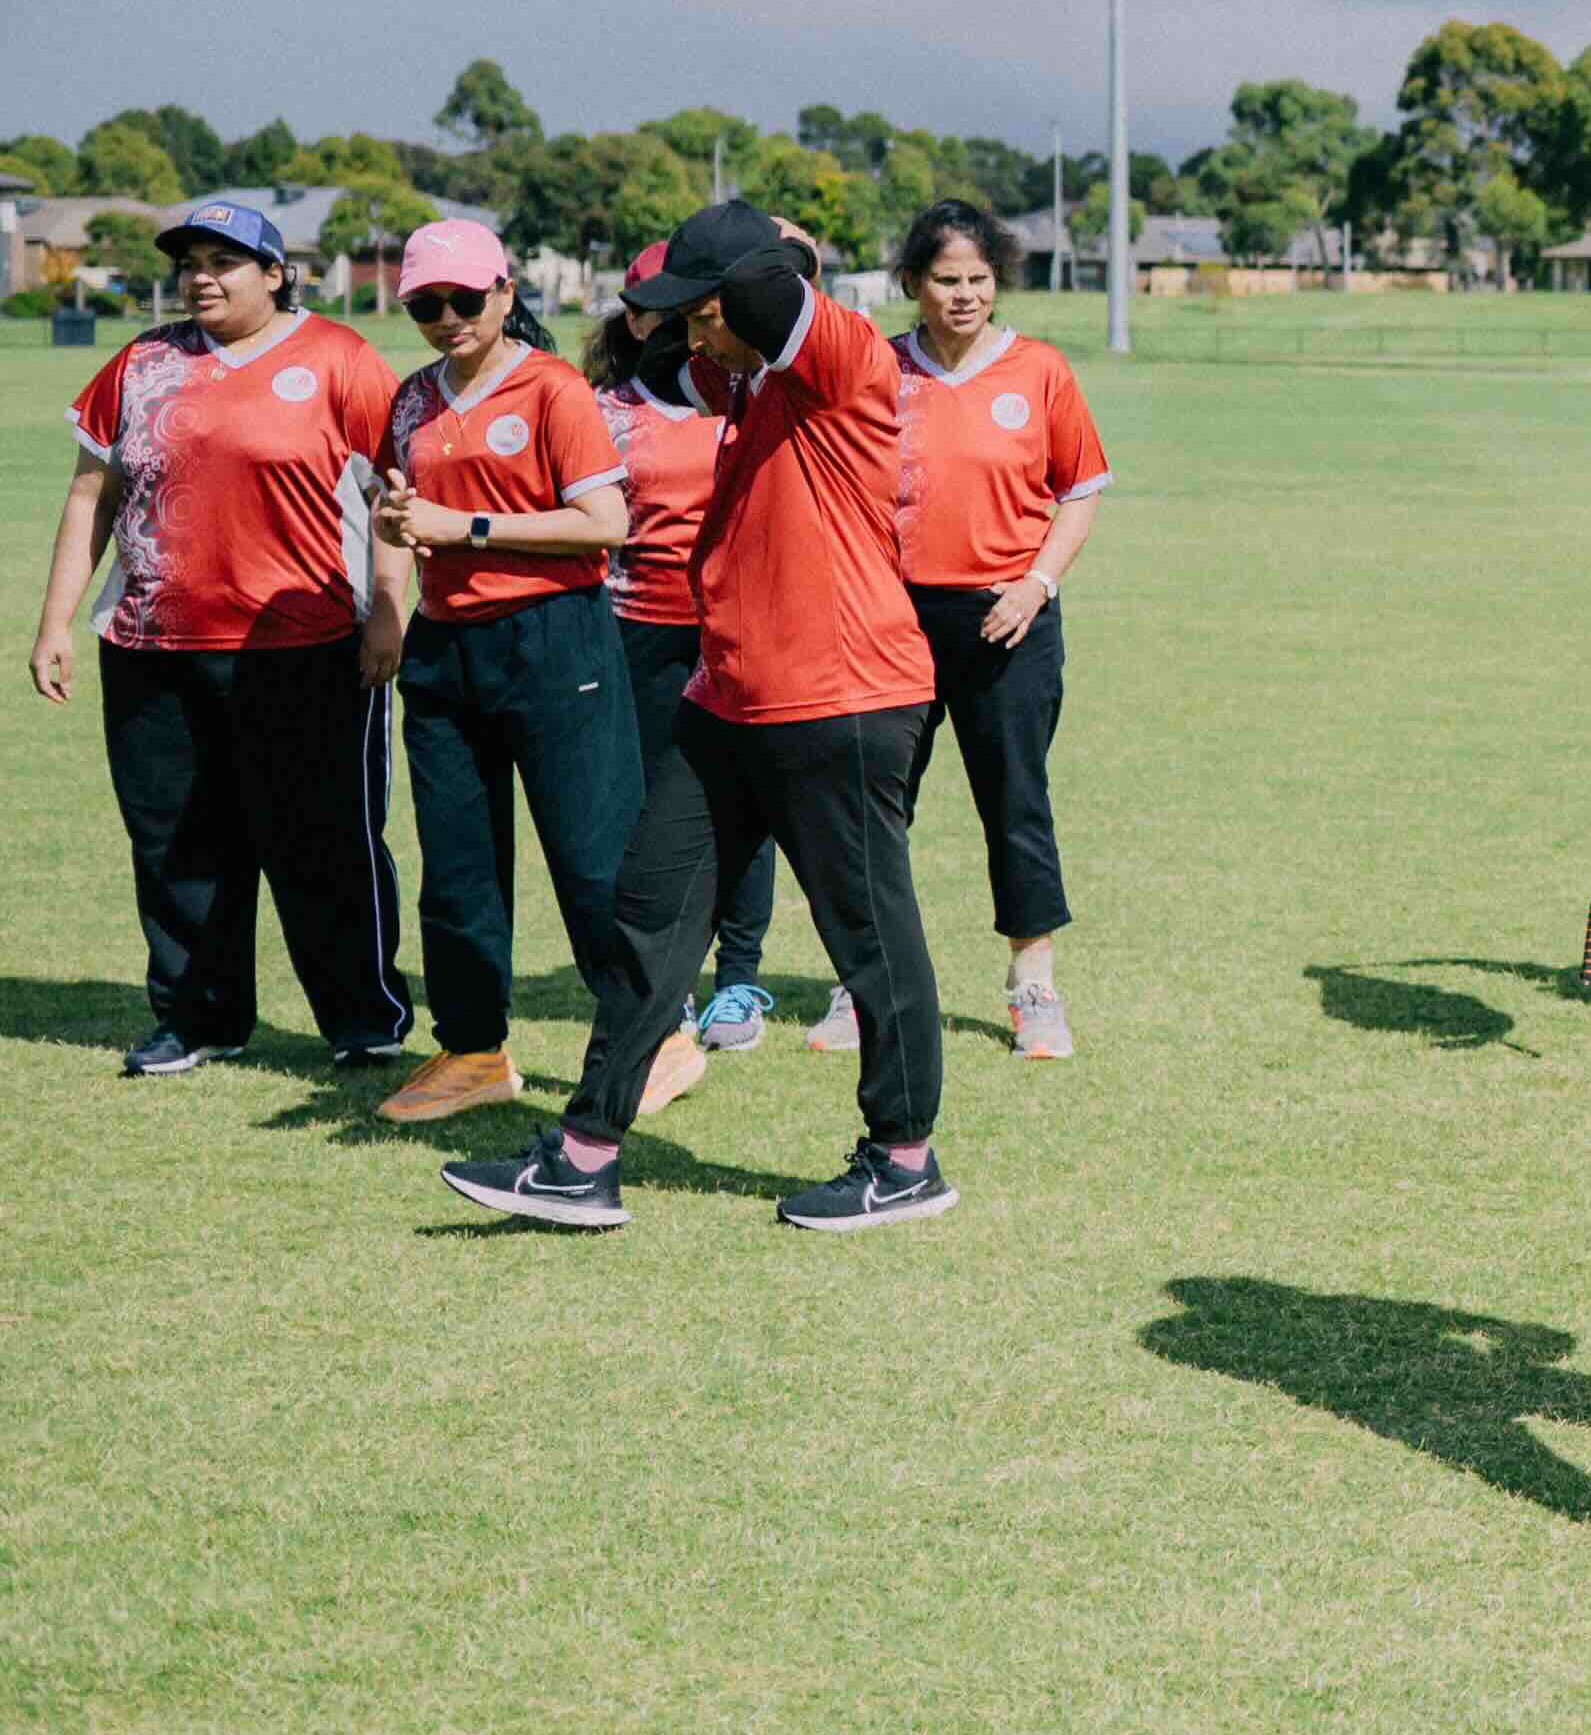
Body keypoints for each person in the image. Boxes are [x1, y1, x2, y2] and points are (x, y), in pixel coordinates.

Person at [436, 201, 956, 1231]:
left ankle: (904, 1158)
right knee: (649, 921)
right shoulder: (750, 381)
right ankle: (583, 1156)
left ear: (747, 296)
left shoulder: (839, 355)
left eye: (698, 311)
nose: (685, 333)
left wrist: (749, 242)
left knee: (871, 936)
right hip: (728, 696)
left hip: (841, 695)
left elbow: (774, 292)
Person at [29, 196, 415, 1077]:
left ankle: (362, 1017)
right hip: (151, 646)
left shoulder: (338, 359)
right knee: (175, 842)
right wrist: (56, 622)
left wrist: (388, 611)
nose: (200, 278)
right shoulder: (142, 362)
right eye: (190, 262)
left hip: (306, 646)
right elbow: (93, 493)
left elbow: (395, 500)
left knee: (321, 839)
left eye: (223, 262)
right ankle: (198, 1018)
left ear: (275, 274)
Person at [365, 220, 657, 1129]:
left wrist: (470, 529)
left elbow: (606, 522)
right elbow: (395, 516)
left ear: (503, 293)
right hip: (446, 646)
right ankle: (474, 1047)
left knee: (590, 860)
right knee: (455, 869)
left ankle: (652, 1037)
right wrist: (393, 567)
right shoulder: (411, 400)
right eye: (425, 304)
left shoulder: (552, 388)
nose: (446, 318)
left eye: (463, 299)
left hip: (555, 639)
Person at [870, 200, 1112, 1064]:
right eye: (945, 280)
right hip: (894, 619)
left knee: (1014, 802)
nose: (964, 295)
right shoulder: (878, 369)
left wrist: (1036, 584)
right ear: (913, 284)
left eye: (978, 279)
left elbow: (1079, 492)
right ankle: (866, 982)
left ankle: (1033, 985)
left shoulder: (1039, 371)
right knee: (876, 803)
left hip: (1010, 621)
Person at [587, 257, 781, 1051]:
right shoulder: (603, 412)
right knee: (651, 811)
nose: (682, 328)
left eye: (698, 311)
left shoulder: (760, 398)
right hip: (642, 633)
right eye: (660, 311)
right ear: (636, 320)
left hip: (746, 632)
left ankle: (738, 981)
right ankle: (665, 985)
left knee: (749, 805)